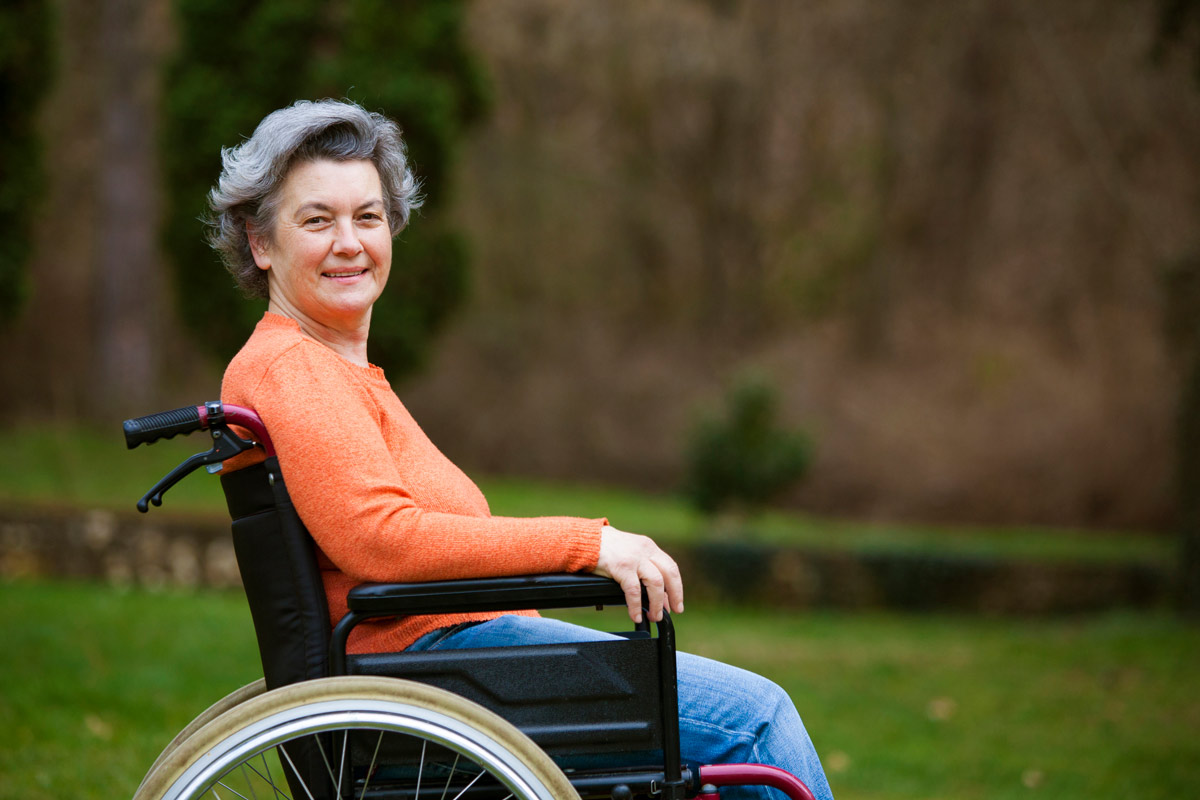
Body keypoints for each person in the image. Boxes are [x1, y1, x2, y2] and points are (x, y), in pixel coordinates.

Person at [211, 98, 834, 800]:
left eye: (369, 216)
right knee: (756, 721)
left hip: (452, 665)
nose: (350, 242)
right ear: (260, 242)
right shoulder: (290, 368)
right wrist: (586, 545)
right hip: (429, 675)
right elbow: (380, 541)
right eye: (317, 220)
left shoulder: (336, 371)